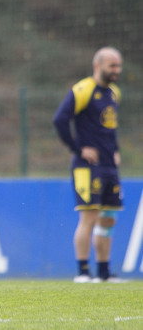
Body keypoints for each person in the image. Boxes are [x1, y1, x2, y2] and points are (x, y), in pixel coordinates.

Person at [53, 47, 125, 283]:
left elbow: (109, 129)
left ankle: (104, 272)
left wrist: (116, 151)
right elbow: (60, 120)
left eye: (118, 66)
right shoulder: (83, 90)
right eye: (112, 66)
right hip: (87, 167)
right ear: (98, 66)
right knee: (89, 217)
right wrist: (78, 149)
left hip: (109, 166)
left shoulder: (114, 93)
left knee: (108, 218)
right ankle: (83, 271)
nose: (116, 70)